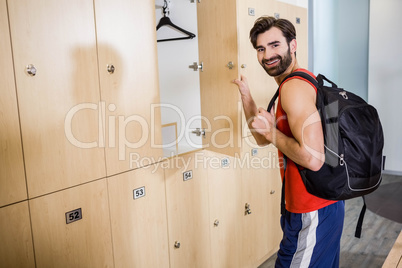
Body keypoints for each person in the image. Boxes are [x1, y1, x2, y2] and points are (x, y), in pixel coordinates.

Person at [233, 16, 345, 267]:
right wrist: (247, 98)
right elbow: (263, 140)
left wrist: (273, 133)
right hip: (317, 205)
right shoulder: (292, 83)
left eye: (275, 45)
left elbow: (313, 159)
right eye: (261, 49)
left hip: (312, 208)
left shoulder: (293, 88)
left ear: (292, 45)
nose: (267, 54)